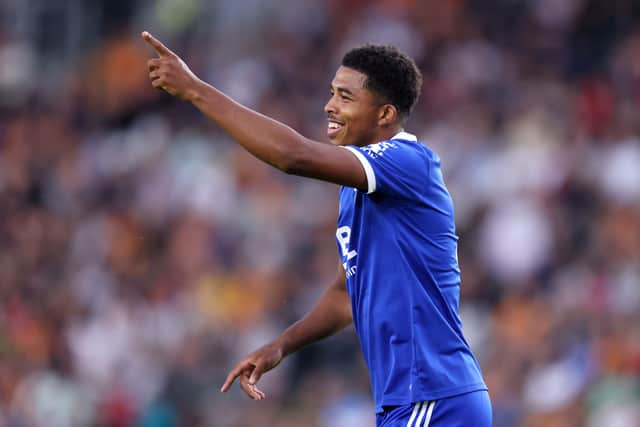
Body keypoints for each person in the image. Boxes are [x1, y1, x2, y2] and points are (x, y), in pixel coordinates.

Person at [142, 30, 492, 427]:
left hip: (433, 395)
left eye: (345, 97)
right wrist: (280, 346)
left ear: (385, 114)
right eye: (331, 93)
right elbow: (346, 296)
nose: (329, 106)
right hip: (410, 400)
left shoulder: (409, 161)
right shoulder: (359, 186)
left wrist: (195, 90)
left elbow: (291, 155)